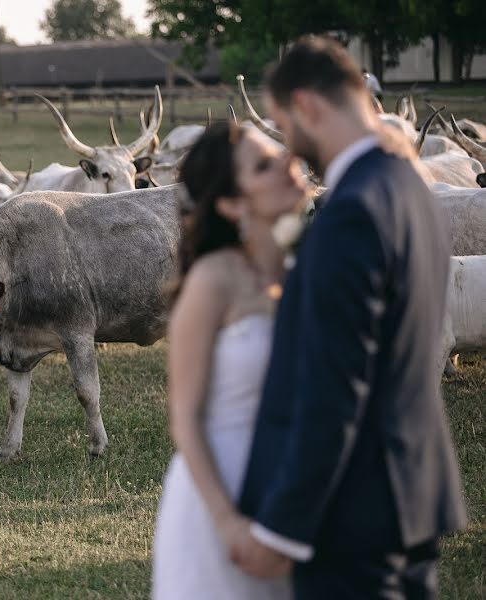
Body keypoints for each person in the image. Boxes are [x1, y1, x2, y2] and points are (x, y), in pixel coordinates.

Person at [232, 36, 467, 599]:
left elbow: (335, 387)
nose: (289, 145)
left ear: (309, 106)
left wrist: (283, 525)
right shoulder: (413, 189)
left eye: (285, 126)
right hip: (410, 490)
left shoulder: (353, 214)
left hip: (351, 514)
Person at [152, 118, 311, 599]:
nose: (287, 162)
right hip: (220, 497)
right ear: (231, 202)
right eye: (264, 165)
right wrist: (227, 522)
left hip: (290, 499)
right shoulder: (213, 281)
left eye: (280, 151)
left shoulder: (303, 272)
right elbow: (184, 418)